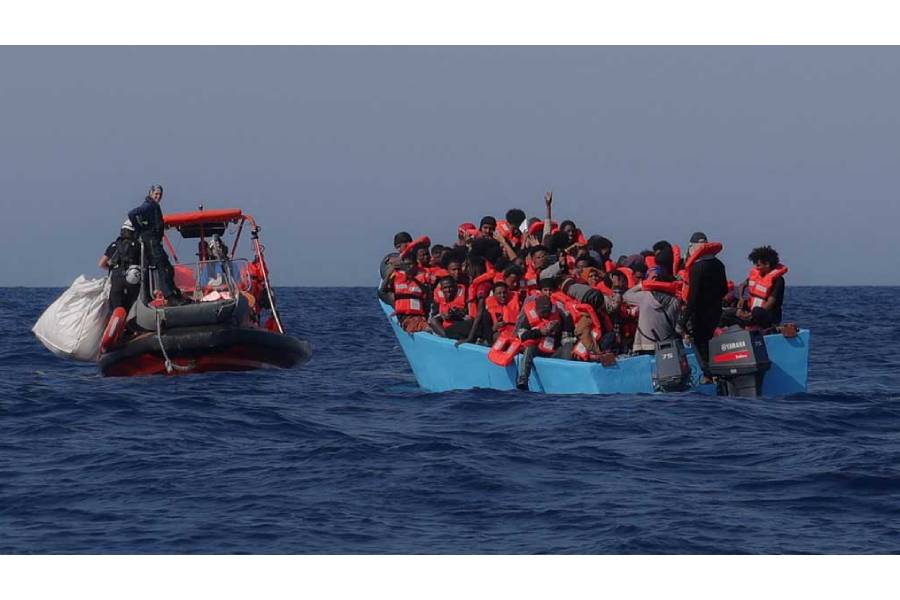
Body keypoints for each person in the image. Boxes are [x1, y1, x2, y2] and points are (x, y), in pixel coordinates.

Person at [678, 232, 728, 379]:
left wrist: (682, 320)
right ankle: (719, 374)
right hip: (716, 311)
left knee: (701, 343)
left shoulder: (697, 268)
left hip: (700, 315)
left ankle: (708, 376)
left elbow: (692, 298)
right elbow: (724, 289)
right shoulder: (719, 264)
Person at [127, 184, 188, 305]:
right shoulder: (148, 206)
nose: (158, 196)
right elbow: (132, 213)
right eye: (156, 194)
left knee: (168, 268)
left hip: (155, 241)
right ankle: (169, 296)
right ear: (150, 193)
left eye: (160, 194)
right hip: (151, 241)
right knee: (163, 268)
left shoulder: (154, 206)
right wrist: (140, 229)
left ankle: (174, 292)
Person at [721, 245, 787, 330]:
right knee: (729, 306)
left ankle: (754, 325)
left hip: (767, 316)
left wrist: (750, 315)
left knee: (757, 311)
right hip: (751, 313)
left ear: (767, 264)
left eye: (758, 265)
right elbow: (742, 285)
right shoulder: (757, 276)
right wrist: (741, 298)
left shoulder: (778, 280)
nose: (756, 267)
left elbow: (770, 303)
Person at [623, 275, 682, 355]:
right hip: (668, 343)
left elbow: (626, 296)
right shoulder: (675, 301)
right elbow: (677, 328)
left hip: (647, 344)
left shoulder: (644, 296)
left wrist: (641, 285)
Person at [99, 219, 141, 312]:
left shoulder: (114, 245)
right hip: (133, 281)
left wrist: (113, 268)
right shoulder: (139, 245)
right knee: (132, 307)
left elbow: (101, 264)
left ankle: (116, 322)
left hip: (116, 279)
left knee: (115, 309)